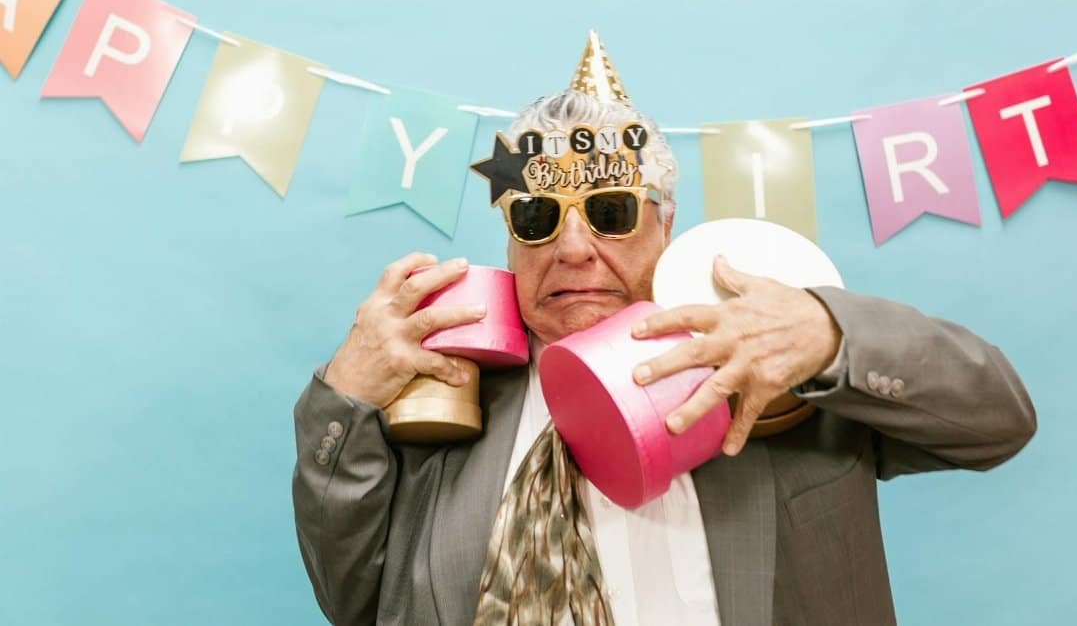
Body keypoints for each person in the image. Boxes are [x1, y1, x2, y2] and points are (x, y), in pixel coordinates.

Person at [291, 31, 1036, 626]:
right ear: (510, 239)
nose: (574, 249)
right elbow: (354, 600)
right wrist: (346, 394)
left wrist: (829, 334)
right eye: (538, 216)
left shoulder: (773, 365)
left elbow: (999, 420)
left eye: (611, 212)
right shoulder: (444, 387)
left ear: (665, 221)